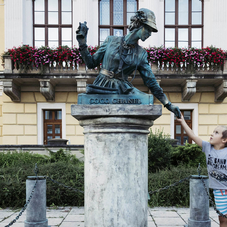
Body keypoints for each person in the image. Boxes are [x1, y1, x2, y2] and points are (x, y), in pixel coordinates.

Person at [76, 8, 181, 118]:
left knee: (146, 99)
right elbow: (91, 63)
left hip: (123, 88)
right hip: (102, 85)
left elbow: (151, 81)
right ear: (139, 25)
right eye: (148, 29)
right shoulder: (111, 40)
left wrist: (168, 104)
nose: (150, 34)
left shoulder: (141, 54)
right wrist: (82, 43)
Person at [176, 113, 227, 227]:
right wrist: (183, 121)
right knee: (223, 220)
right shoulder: (208, 148)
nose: (212, 134)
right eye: (213, 131)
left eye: (216, 132)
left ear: (224, 140)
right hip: (219, 191)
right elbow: (193, 136)